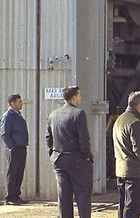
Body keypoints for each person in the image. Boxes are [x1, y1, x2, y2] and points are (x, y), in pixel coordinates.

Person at [46, 86, 93, 218]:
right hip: (77, 160)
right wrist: (86, 156)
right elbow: (84, 139)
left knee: (64, 196)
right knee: (83, 196)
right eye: (79, 95)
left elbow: (48, 138)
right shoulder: (79, 114)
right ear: (74, 97)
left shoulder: (53, 114)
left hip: (58, 159)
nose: (81, 98)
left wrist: (53, 154)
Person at [112, 91, 140, 218]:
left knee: (123, 205)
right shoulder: (135, 123)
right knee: (132, 208)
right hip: (135, 172)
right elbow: (139, 149)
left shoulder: (119, 120)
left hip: (121, 169)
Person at [0, 93, 28, 205]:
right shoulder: (8, 116)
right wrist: (12, 147)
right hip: (14, 149)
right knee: (12, 172)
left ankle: (16, 195)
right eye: (19, 102)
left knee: (19, 172)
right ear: (12, 103)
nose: (21, 104)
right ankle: (10, 197)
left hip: (21, 148)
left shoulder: (18, 115)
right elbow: (5, 134)